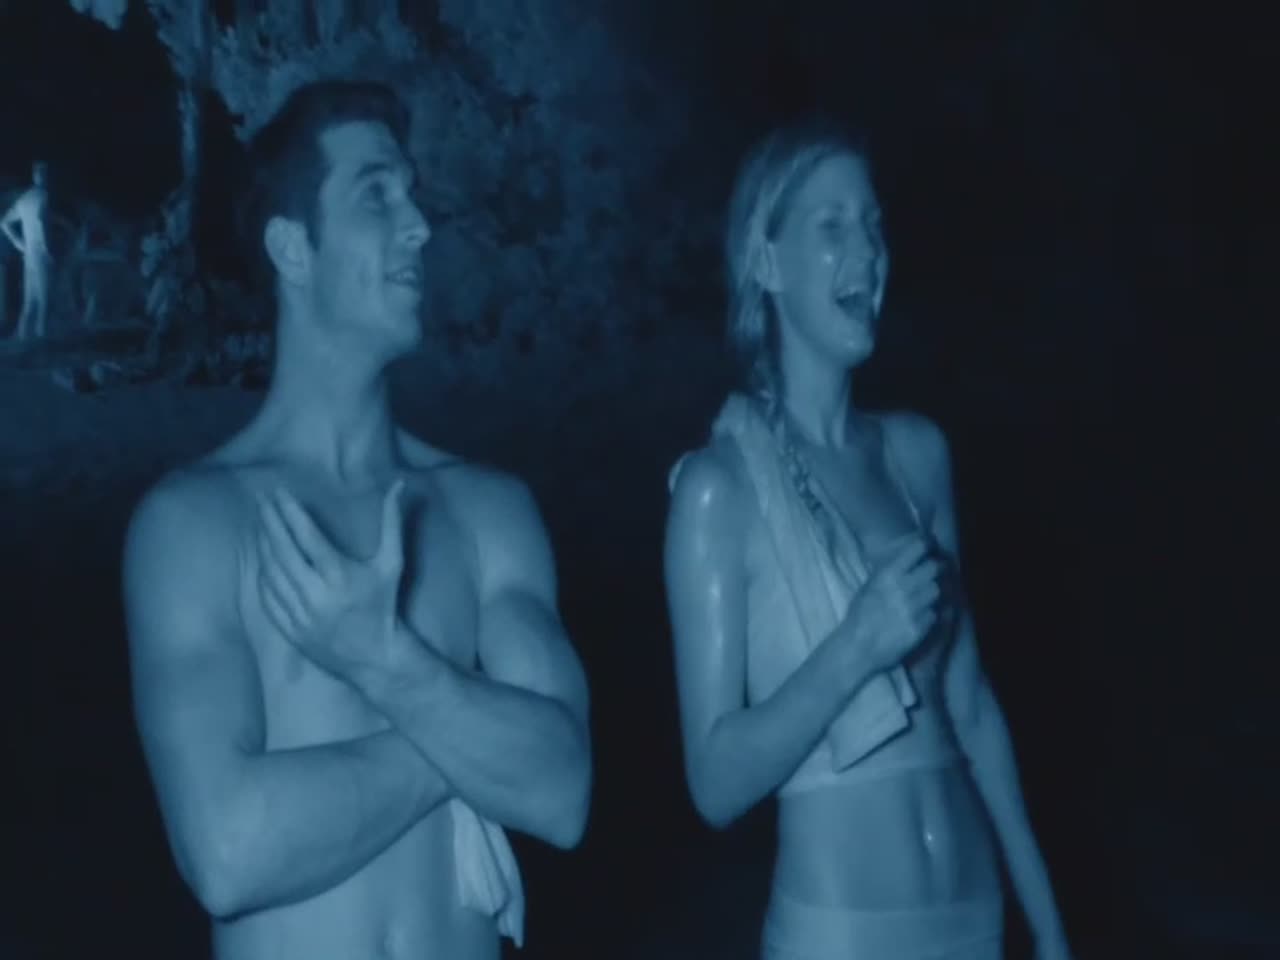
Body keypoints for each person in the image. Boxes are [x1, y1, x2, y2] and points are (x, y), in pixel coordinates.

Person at [121, 81, 592, 960]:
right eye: (378, 195)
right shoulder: (195, 524)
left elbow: (563, 792)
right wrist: (462, 736)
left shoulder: (486, 509)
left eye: (413, 194)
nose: (419, 226)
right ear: (292, 248)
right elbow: (228, 853)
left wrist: (386, 664)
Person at [663, 119, 1073, 959]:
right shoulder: (718, 489)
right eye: (833, 226)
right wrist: (856, 646)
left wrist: (1052, 931)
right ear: (766, 262)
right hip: (839, 931)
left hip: (975, 915)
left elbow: (972, 707)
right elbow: (714, 783)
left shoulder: (917, 454)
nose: (869, 251)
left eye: (874, 225)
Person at [1, 161, 52, 340]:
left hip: (28, 254)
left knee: (30, 301)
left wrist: (18, 242)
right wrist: (47, 249)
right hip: (41, 253)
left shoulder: (25, 199)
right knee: (44, 301)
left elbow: (4, 222)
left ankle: (23, 338)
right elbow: (43, 222)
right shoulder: (44, 196)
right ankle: (42, 339)